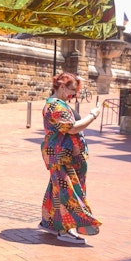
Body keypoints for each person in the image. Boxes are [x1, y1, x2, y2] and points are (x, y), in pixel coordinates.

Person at [39, 73, 102, 244]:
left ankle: (51, 224)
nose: (73, 95)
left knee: (58, 188)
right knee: (68, 191)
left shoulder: (59, 104)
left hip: (64, 154)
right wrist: (93, 115)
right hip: (61, 155)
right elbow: (72, 128)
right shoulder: (55, 106)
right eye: (71, 90)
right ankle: (65, 229)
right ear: (61, 86)